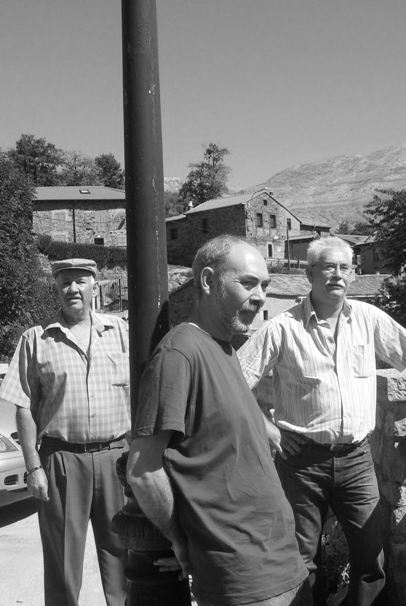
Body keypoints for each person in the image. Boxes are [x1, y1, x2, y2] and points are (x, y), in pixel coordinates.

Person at [237, 235, 406, 606]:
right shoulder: (282, 328)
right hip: (300, 462)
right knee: (302, 557)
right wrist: (266, 426)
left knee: (370, 555)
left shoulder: (368, 318)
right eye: (328, 267)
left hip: (357, 459)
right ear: (310, 273)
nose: (337, 274)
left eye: (344, 267)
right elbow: (234, 380)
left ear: (353, 274)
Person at [127, 235, 311, 606]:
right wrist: (181, 540)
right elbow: (142, 469)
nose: (260, 297)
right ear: (209, 281)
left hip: (279, 561)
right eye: (248, 283)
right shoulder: (179, 354)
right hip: (243, 576)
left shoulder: (224, 347)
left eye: (265, 286)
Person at [0, 258, 129, 606]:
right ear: (56, 288)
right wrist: (33, 467)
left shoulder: (121, 332)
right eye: (65, 282)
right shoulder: (37, 339)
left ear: (94, 286)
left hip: (117, 459)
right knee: (63, 562)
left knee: (124, 555)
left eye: (80, 281)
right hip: (61, 461)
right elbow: (23, 405)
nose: (73, 289)